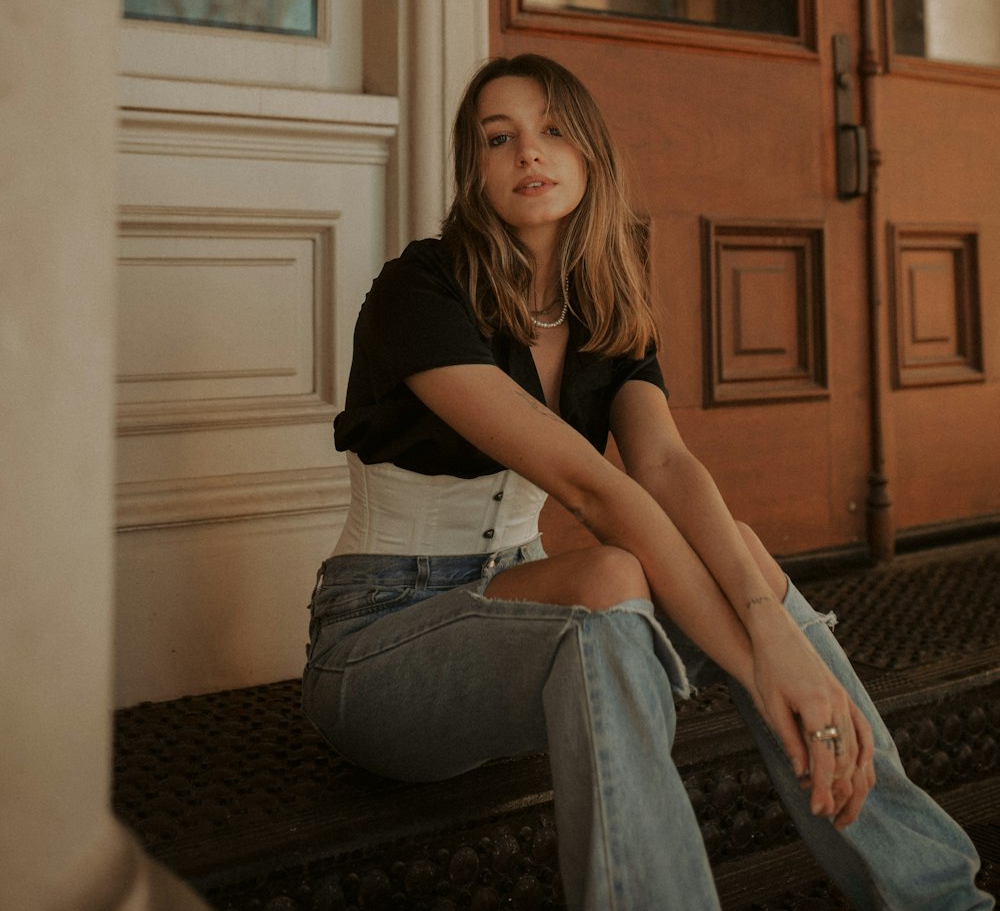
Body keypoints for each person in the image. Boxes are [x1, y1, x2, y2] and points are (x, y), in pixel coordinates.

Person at [302, 53, 991, 910]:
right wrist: (759, 659)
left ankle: (939, 898)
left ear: (591, 152)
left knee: (729, 554)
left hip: (522, 604)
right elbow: (594, 490)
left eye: (553, 129)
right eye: (498, 137)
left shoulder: (604, 307)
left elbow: (665, 466)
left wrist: (771, 629)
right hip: (381, 649)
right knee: (614, 579)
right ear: (471, 169)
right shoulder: (423, 288)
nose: (528, 152)